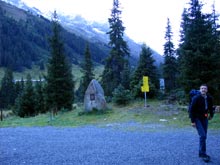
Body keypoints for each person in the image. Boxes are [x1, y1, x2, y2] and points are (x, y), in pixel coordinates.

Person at [189, 84, 214, 162]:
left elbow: (210, 107)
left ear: (207, 90)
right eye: (202, 88)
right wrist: (192, 121)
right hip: (197, 118)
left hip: (205, 117)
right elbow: (191, 110)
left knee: (204, 136)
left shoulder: (209, 98)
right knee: (202, 135)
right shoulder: (196, 98)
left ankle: (201, 152)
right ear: (200, 90)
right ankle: (203, 154)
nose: (203, 90)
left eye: (205, 88)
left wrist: (211, 115)